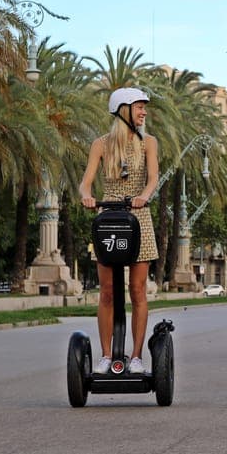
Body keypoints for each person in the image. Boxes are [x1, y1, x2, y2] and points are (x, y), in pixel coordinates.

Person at [79, 87, 159, 375]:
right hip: (110, 218)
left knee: (137, 290)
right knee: (108, 292)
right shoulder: (100, 145)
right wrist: (87, 195)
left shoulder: (148, 143)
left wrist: (144, 196)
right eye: (139, 107)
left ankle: (136, 357)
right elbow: (85, 181)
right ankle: (106, 355)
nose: (143, 112)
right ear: (124, 110)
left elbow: (153, 179)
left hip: (139, 218)